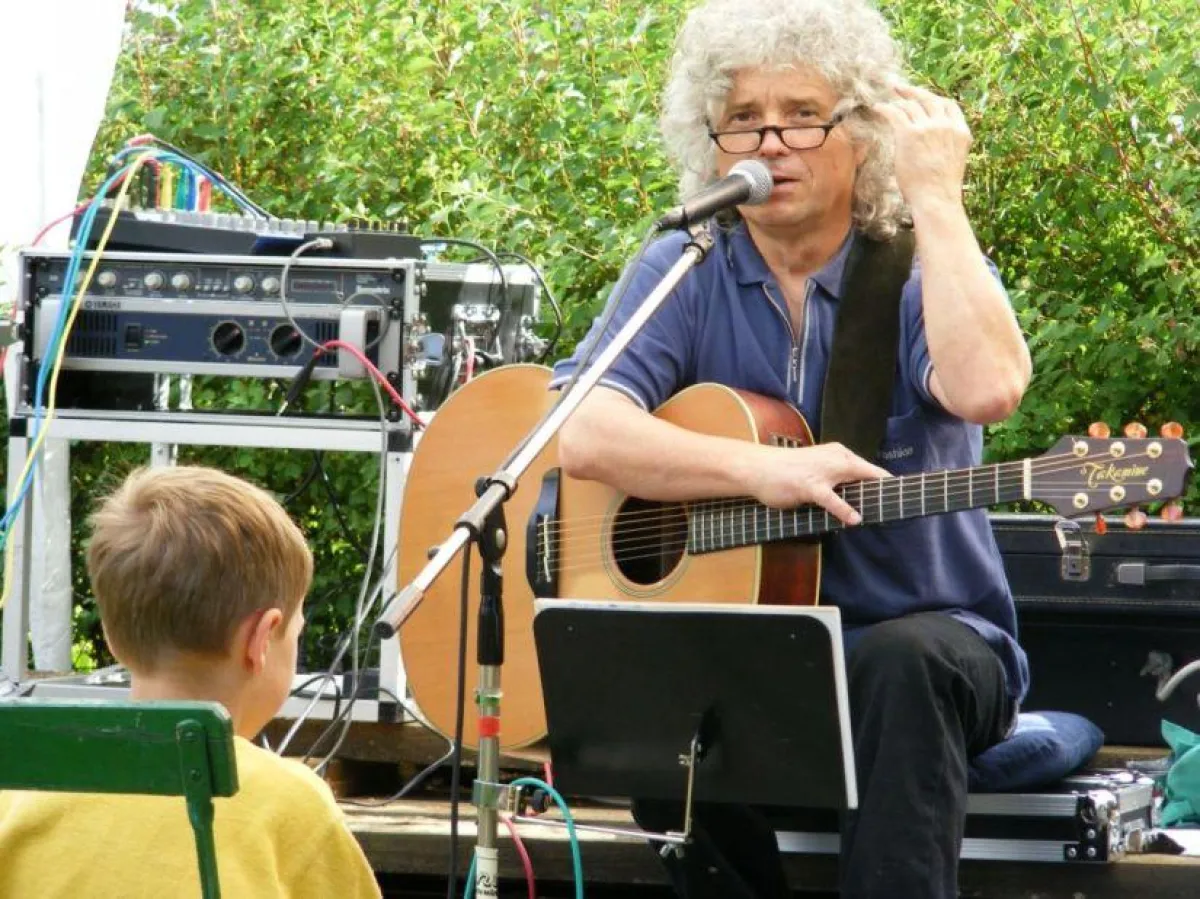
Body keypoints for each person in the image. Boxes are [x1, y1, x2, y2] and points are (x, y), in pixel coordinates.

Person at [552, 1, 1033, 897]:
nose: (772, 142)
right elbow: (581, 426)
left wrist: (937, 195)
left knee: (903, 659)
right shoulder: (686, 267)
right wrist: (765, 470)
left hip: (928, 650)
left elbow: (989, 389)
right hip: (758, 656)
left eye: (803, 115)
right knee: (654, 662)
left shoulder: (921, 265)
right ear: (712, 141)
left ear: (860, 131)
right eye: (743, 118)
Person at [0, 466, 382, 898]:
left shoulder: (22, 789)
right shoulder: (291, 808)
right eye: (295, 632)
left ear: (111, 637)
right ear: (260, 640)